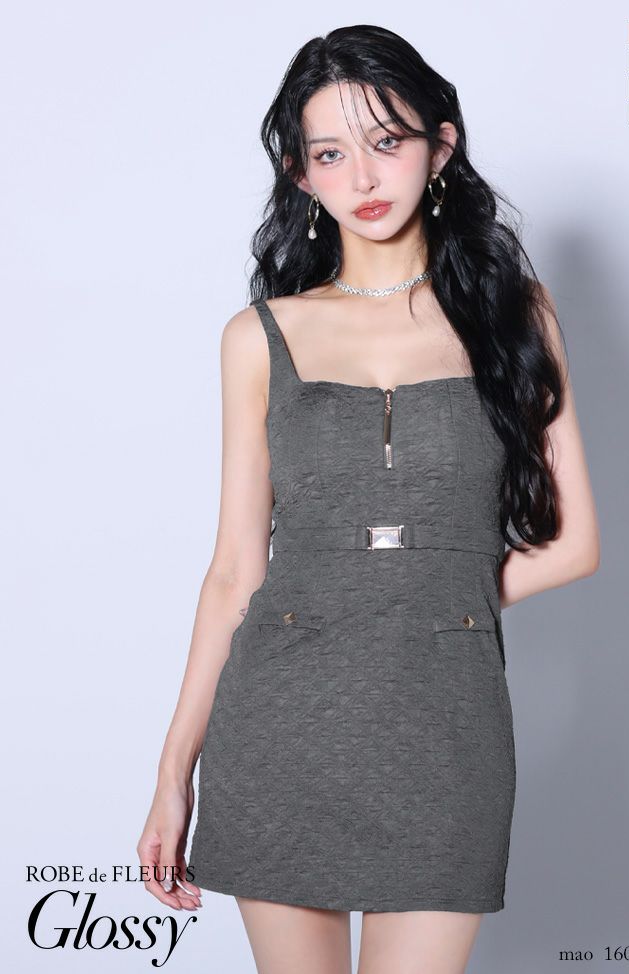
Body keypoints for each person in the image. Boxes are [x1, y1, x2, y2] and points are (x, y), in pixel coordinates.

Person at [137, 23, 600, 974]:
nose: (363, 176)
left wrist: (428, 595)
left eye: (386, 140)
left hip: (446, 727)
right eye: (330, 154)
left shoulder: (516, 315)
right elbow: (234, 573)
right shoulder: (259, 336)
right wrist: (173, 775)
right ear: (301, 175)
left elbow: (574, 544)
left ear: (441, 145)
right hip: (280, 724)